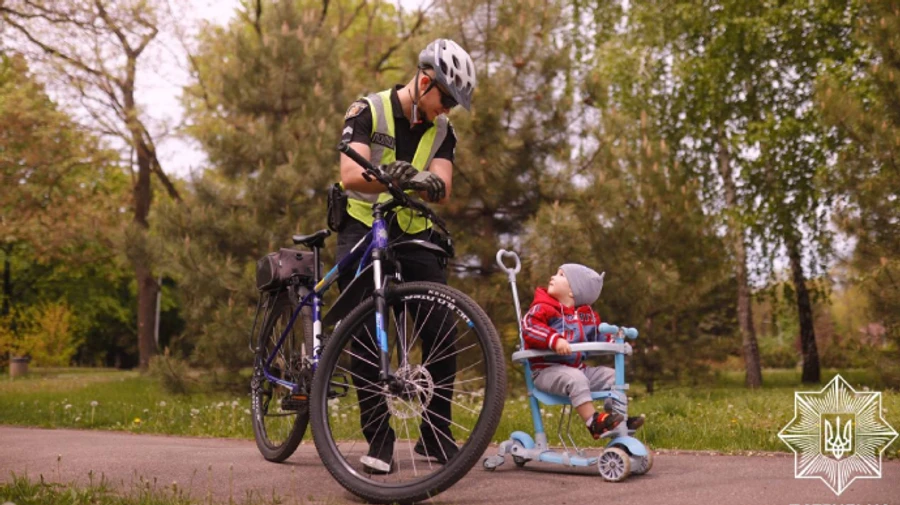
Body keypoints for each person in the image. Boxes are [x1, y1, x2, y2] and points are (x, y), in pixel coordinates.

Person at [334, 39, 477, 474]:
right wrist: (385, 179)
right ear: (425, 81)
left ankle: (434, 436)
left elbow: (444, 184)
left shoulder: (441, 131)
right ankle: (379, 441)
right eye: (446, 98)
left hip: (412, 229)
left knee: (441, 328)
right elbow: (349, 175)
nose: (448, 109)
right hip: (363, 222)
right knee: (363, 332)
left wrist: (424, 180)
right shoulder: (367, 110)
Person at [521, 264, 645, 439]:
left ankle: (616, 420)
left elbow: (597, 337)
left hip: (578, 369)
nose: (553, 276)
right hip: (546, 371)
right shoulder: (543, 307)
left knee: (613, 376)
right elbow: (529, 327)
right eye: (557, 273)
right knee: (576, 378)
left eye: (561, 275)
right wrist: (554, 340)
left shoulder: (586, 316)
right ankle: (594, 423)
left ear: (573, 292)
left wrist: (616, 343)